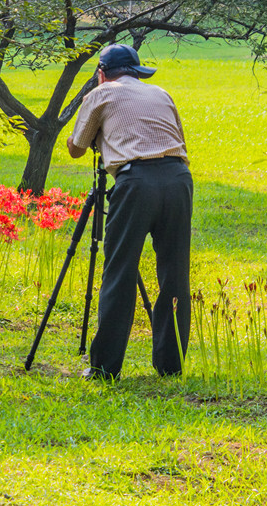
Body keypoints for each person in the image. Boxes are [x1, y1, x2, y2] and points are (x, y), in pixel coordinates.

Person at [67, 44, 192, 378]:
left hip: (136, 181)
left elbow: (77, 148)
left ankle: (105, 367)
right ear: (137, 72)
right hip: (179, 178)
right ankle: (171, 364)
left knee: (120, 271)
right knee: (175, 273)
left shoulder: (101, 93)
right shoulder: (161, 93)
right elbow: (176, 137)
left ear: (102, 72)